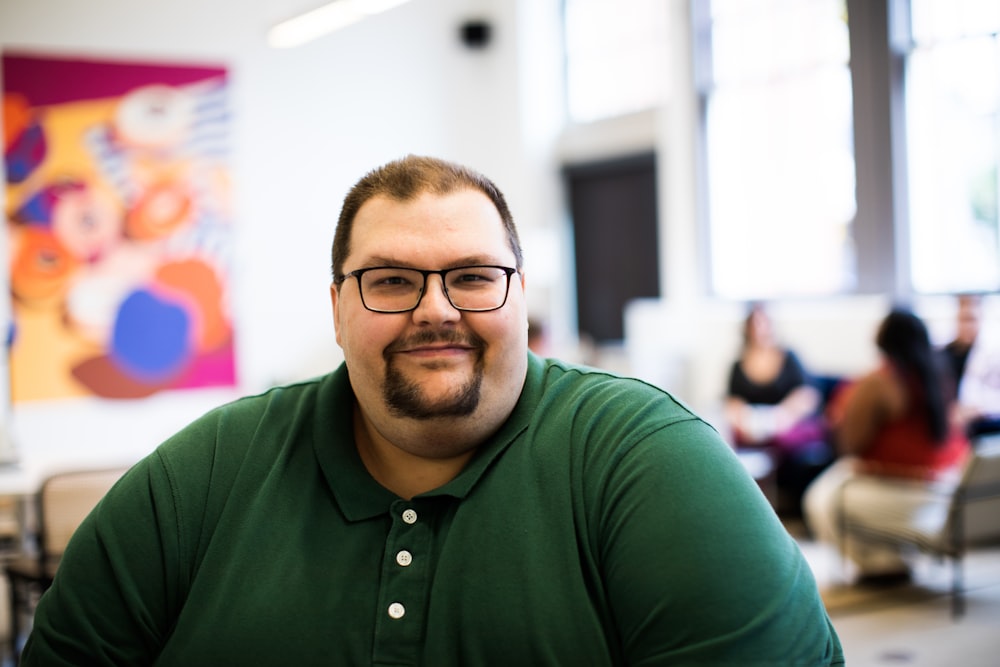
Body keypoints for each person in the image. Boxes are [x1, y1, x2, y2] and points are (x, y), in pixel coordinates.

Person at [23, 155, 843, 665]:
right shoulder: (201, 475)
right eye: (390, 280)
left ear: (521, 299)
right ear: (339, 309)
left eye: (475, 276)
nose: (436, 309)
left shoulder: (652, 465)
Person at [804, 307, 971, 585]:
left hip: (907, 492)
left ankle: (879, 564)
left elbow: (850, 444)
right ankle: (890, 560)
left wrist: (840, 415)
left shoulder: (880, 382)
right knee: (843, 479)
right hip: (944, 487)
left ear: (882, 340)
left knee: (820, 497)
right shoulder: (940, 375)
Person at [724, 302, 834, 516]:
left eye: (762, 322)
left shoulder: (789, 357)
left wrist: (782, 416)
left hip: (788, 424)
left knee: (786, 442)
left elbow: (807, 395)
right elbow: (732, 402)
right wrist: (745, 420)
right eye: (754, 323)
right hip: (754, 428)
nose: (759, 328)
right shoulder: (738, 365)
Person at [942, 293, 1000, 438]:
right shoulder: (945, 355)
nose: (968, 326)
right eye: (964, 320)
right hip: (952, 420)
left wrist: (976, 409)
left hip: (984, 420)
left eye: (972, 320)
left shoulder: (991, 354)